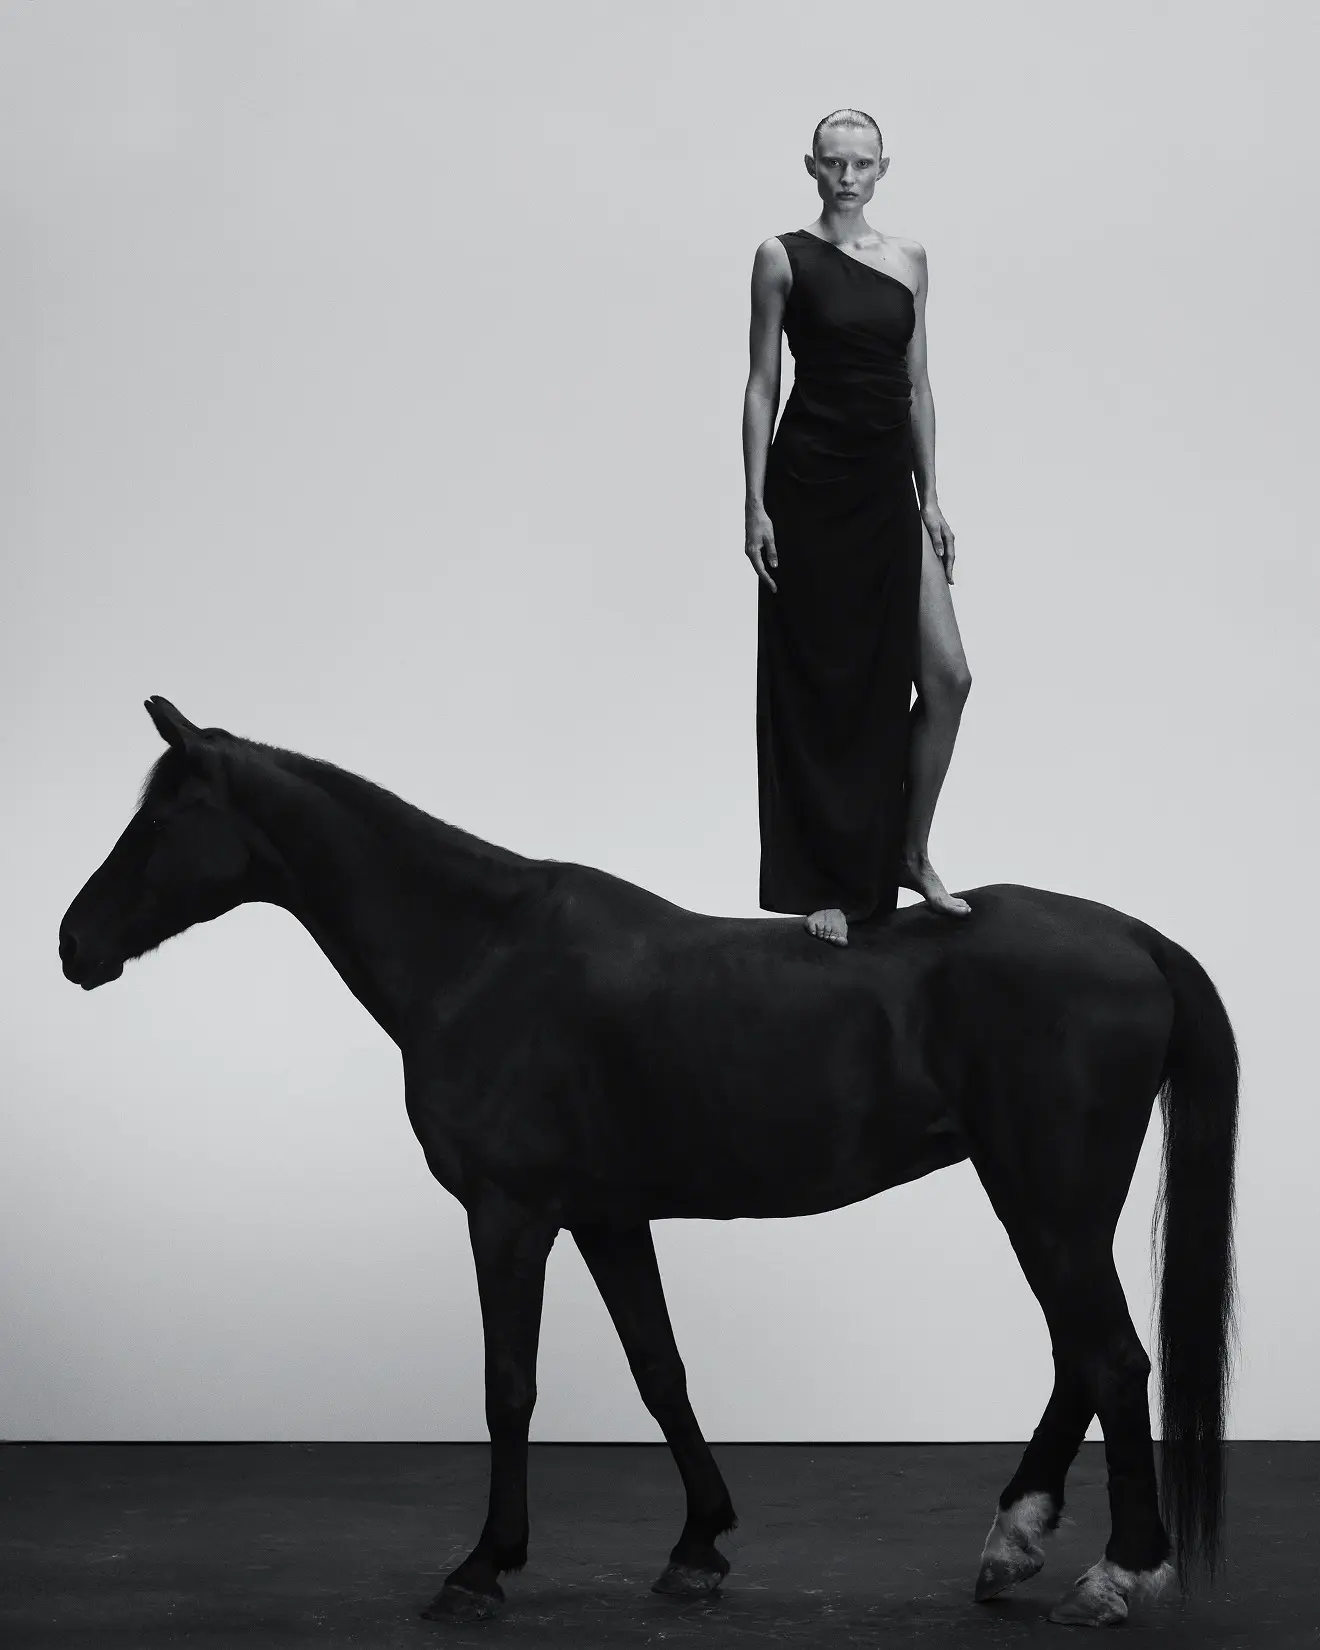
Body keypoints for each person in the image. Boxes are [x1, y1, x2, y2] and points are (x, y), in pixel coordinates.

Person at [744, 107, 972, 948]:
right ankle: (827, 883)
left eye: (862, 164)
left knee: (947, 677)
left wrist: (932, 496)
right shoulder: (781, 257)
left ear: (883, 168)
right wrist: (754, 502)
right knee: (826, 692)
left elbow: (918, 382)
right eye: (833, 163)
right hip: (808, 488)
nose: (847, 178)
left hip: (886, 490)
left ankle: (909, 851)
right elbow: (762, 383)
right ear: (811, 165)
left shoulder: (909, 259)